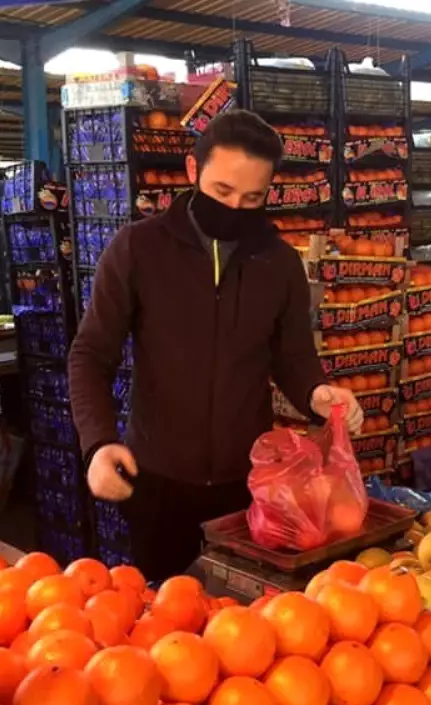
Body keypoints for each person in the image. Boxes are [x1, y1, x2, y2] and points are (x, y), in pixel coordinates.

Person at [68, 110, 363, 582]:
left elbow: (292, 357)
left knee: (247, 631)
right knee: (168, 625)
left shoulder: (280, 263)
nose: (235, 207)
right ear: (192, 171)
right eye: (222, 191)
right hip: (158, 483)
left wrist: (317, 395)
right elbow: (90, 354)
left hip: (250, 488)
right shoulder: (138, 249)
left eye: (253, 198)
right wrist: (97, 444)